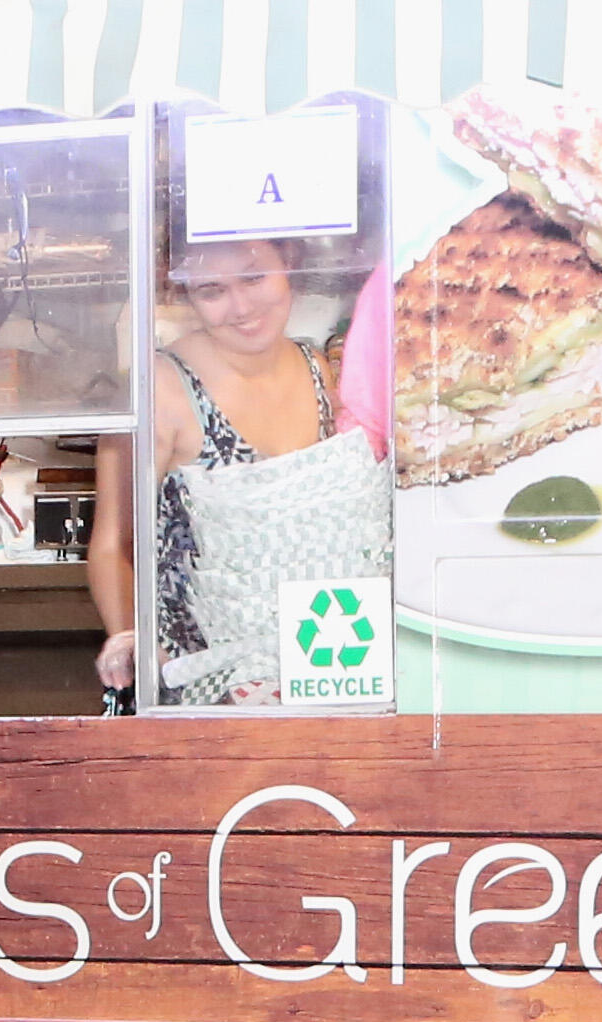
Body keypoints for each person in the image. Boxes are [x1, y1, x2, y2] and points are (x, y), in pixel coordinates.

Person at [90, 235, 387, 709]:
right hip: (201, 691)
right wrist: (131, 637)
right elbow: (114, 544)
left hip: (324, 673)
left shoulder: (316, 367)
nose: (241, 306)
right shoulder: (155, 390)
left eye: (253, 277)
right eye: (212, 291)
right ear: (184, 293)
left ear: (287, 263)